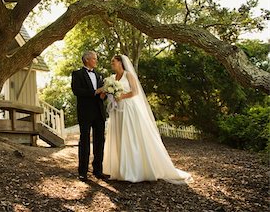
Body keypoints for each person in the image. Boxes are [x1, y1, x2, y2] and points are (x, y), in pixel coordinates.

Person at [103, 55, 193, 184]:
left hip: (129, 109)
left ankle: (135, 170)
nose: (111, 63)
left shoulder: (128, 75)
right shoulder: (111, 78)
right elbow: (109, 92)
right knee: (119, 136)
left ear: (120, 63)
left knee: (131, 136)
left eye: (113, 61)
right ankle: (119, 169)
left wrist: (121, 96)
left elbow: (135, 92)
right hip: (117, 111)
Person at [71, 51, 108, 181]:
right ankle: (83, 172)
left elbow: (102, 95)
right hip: (85, 112)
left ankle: (98, 170)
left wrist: (104, 95)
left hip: (99, 112)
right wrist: (94, 92)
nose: (96, 61)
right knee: (85, 142)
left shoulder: (99, 75)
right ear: (87, 60)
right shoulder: (77, 74)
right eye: (94, 59)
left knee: (100, 142)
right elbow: (77, 91)